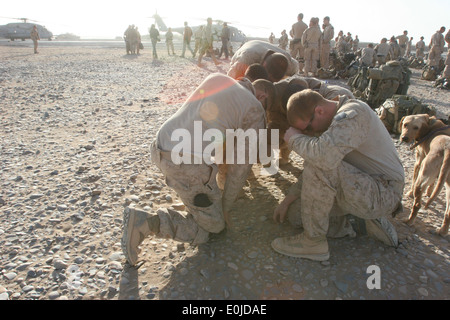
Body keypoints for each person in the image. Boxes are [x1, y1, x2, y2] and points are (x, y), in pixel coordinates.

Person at [121, 74, 274, 266]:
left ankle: (193, 203)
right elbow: (240, 169)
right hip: (185, 164)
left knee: (204, 195)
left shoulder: (220, 78)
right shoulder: (255, 108)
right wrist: (225, 209)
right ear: (262, 98)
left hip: (161, 144)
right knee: (213, 227)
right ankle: (146, 223)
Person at [271, 89, 404, 261]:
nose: (310, 133)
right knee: (295, 215)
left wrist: (296, 139)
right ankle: (353, 221)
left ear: (319, 111)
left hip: (383, 192)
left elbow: (323, 160)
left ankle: (313, 243)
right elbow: (317, 165)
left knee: (321, 161)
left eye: (309, 128)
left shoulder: (354, 113)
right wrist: (288, 199)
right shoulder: (331, 122)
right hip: (358, 184)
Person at [227, 40, 299, 81]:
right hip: (246, 51)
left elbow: (295, 70)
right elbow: (229, 82)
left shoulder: (289, 63)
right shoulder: (246, 60)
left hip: (258, 46)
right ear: (264, 65)